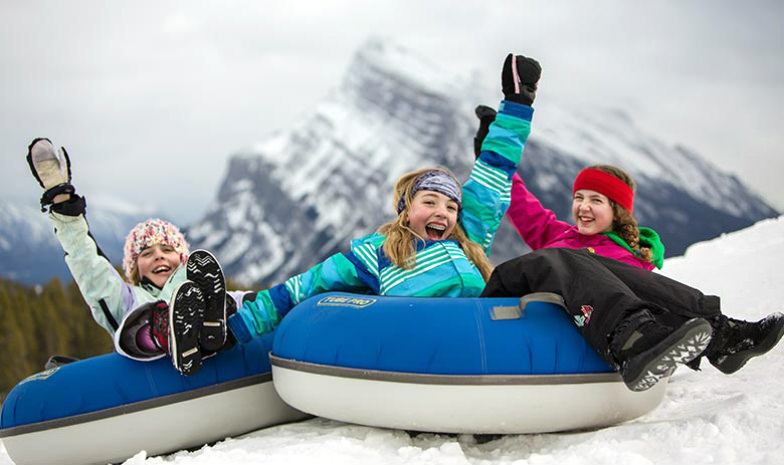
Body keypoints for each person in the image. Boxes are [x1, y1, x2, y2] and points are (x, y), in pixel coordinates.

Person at [140, 53, 541, 374]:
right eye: (430, 202)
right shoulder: (378, 251)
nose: (443, 212)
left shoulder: (465, 237)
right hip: (423, 346)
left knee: (534, 271)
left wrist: (517, 104)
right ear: (405, 211)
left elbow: (494, 175)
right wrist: (236, 333)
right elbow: (304, 287)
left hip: (479, 338)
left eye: (451, 206)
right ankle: (212, 324)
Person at [471, 109, 784, 391]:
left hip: (570, 324)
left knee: (604, 271)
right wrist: (491, 153)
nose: (582, 207)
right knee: (567, 257)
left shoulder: (626, 260)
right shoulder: (557, 236)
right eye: (579, 197)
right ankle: (637, 338)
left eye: (596, 200)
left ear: (617, 211)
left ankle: (722, 335)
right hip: (510, 301)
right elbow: (519, 199)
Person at [26, 139, 241, 374]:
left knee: (229, 303)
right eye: (147, 253)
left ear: (183, 260)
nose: (159, 256)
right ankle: (170, 332)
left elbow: (258, 301)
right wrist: (62, 203)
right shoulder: (125, 300)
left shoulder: (208, 290)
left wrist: (285, 294)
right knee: (143, 319)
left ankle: (214, 328)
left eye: (167, 250)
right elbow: (88, 263)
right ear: (135, 268)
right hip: (152, 378)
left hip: (212, 339)